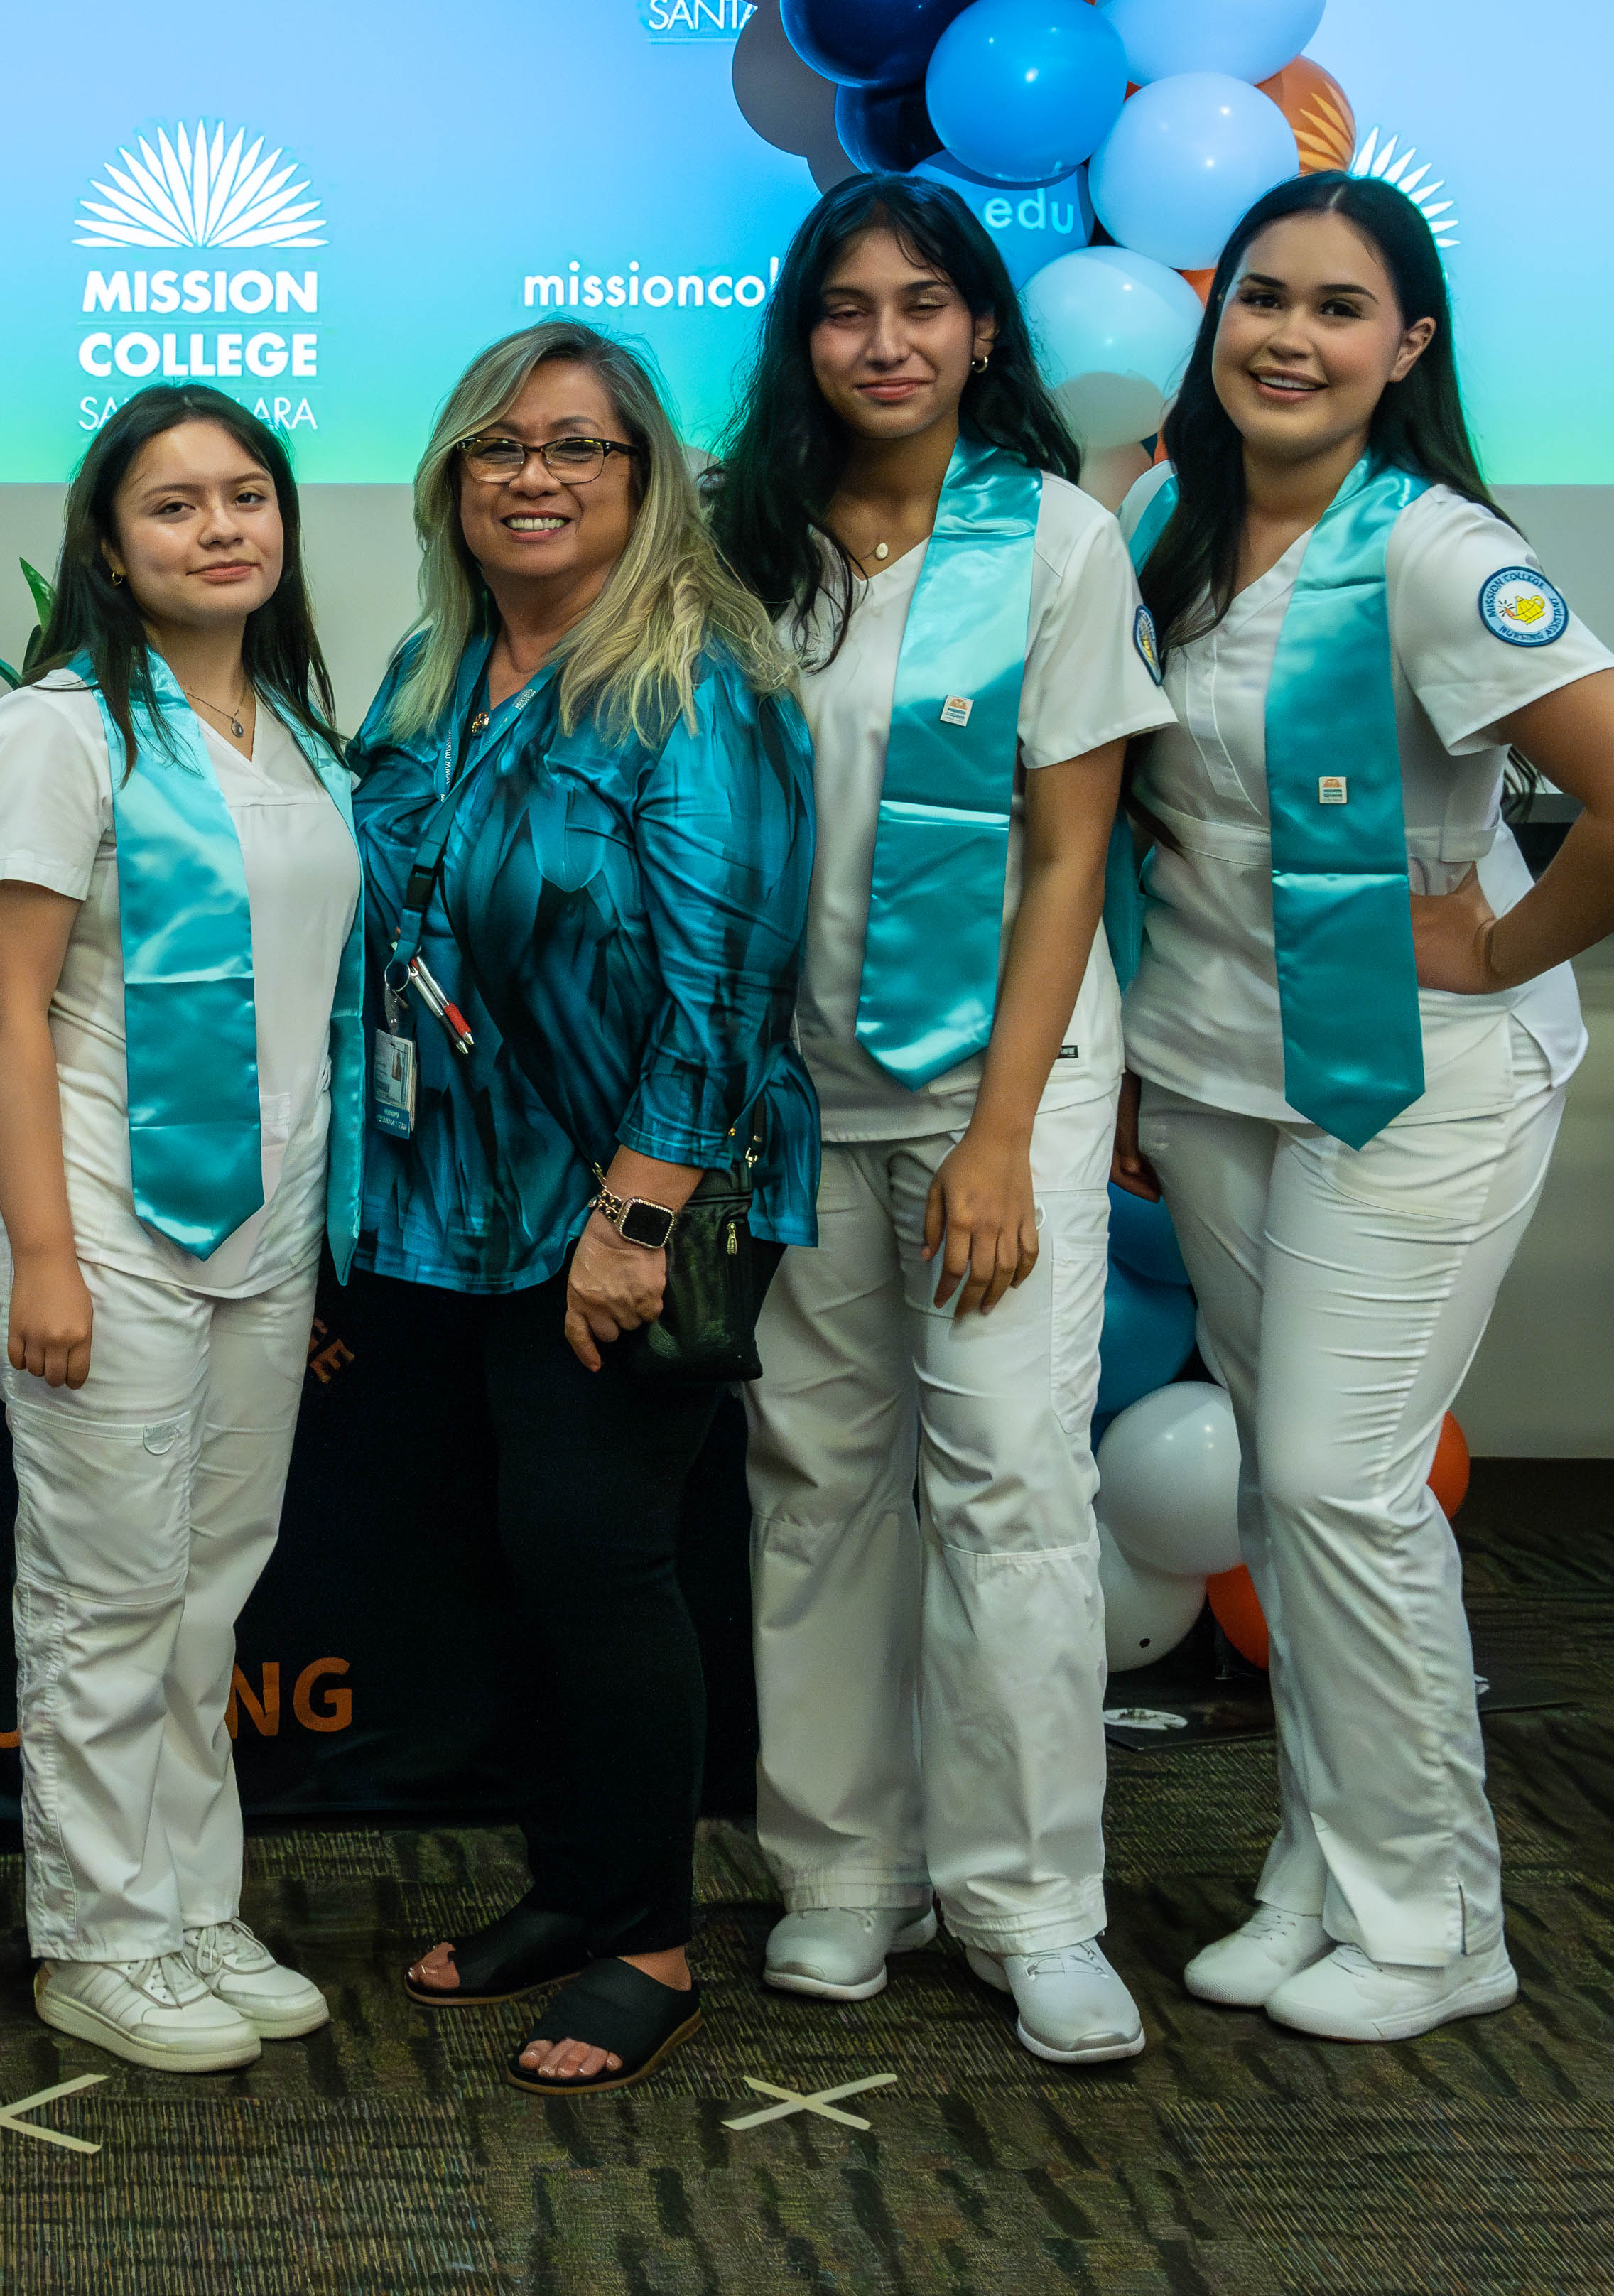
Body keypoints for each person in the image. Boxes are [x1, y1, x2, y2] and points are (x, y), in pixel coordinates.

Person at [1114, 173, 1614, 2042]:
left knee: (1338, 1482)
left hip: (1411, 1093)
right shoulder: (1165, 518)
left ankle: (1447, 1923)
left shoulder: (1442, 553)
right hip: (1217, 1072)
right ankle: (1326, 1869)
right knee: (1293, 1514)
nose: (1291, 339)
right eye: (1263, 300)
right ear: (1217, 320)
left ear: (1407, 349)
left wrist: (1505, 942)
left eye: (1340, 310)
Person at [707, 178, 1174, 2064]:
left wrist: (999, 1139)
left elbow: (1073, 855)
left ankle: (1033, 1902)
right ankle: (841, 1874)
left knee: (1008, 1482)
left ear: (986, 328)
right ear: (801, 340)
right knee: (817, 1481)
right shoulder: (751, 551)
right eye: (844, 309)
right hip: (802, 1097)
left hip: (1007, 1090)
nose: (883, 341)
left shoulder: (1060, 543)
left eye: (923, 304)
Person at [359, 320, 817, 2095]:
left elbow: (726, 978)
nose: (532, 477)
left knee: (603, 1552)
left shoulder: (701, 681)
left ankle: (645, 1932)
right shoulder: (431, 667)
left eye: (576, 447)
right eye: (497, 447)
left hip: (637, 1203)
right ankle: (569, 1884)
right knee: (511, 1554)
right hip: (460, 1198)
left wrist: (632, 1221)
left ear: (645, 482)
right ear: (452, 483)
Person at [0, 387, 361, 2075]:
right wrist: (40, 1253)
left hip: (265, 1229)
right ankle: (98, 1935)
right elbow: (3, 1001)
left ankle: (193, 1897)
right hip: (106, 1223)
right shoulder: (59, 729)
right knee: (104, 1596)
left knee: (209, 1590)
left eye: (247, 496)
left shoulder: (301, 734)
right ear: (110, 546)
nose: (222, 528)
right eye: (177, 504)